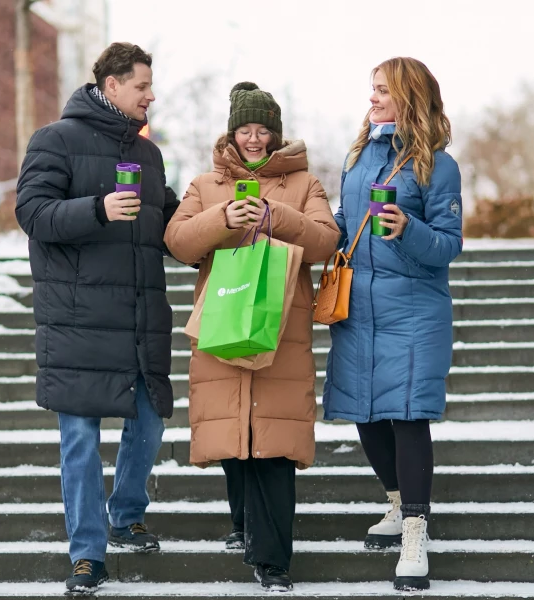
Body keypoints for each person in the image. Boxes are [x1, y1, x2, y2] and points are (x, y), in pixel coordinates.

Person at [15, 42, 179, 595]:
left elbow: (169, 224)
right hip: (77, 318)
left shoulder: (149, 155)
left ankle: (126, 512)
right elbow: (31, 212)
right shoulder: (54, 139)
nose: (150, 95)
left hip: (137, 317)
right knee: (80, 439)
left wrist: (216, 223)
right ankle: (88, 553)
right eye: (141, 86)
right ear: (111, 85)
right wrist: (97, 208)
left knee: (150, 419)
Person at [164, 82, 340, 592]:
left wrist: (276, 217)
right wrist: (222, 219)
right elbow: (176, 241)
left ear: (277, 134)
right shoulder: (205, 185)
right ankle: (243, 522)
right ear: (232, 133)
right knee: (236, 435)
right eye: (246, 129)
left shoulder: (304, 184)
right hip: (222, 319)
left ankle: (273, 560)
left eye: (264, 130)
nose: (256, 140)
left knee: (274, 441)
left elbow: (326, 241)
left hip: (282, 329)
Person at [322, 57, 462, 592]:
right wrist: (303, 229)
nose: (373, 98)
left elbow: (448, 245)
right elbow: (345, 224)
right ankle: (398, 504)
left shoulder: (437, 165)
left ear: (409, 98)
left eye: (383, 90)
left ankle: (416, 532)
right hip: (359, 308)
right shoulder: (357, 158)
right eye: (372, 89)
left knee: (407, 416)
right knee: (366, 414)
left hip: (415, 309)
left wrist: (407, 228)